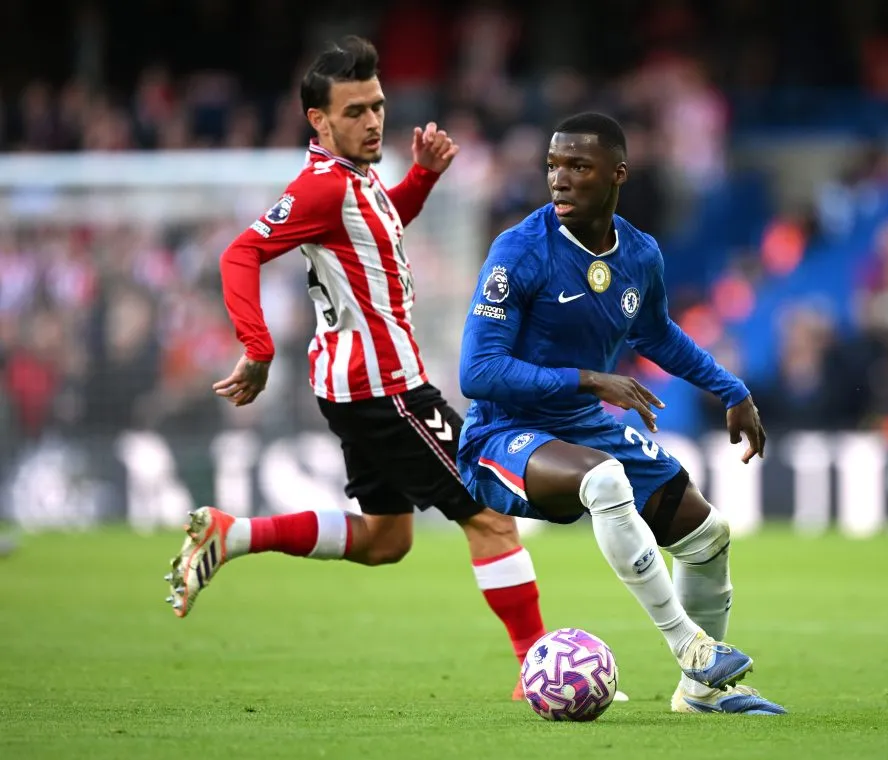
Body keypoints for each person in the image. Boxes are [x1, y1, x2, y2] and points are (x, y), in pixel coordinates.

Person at [162, 36, 573, 702]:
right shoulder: (321, 187)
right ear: (319, 121)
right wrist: (257, 347)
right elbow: (239, 254)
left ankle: (233, 534)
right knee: (492, 514)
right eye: (354, 111)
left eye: (377, 105)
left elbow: (377, 227)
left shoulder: (355, 181)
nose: (373, 121)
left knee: (387, 540)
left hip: (357, 387)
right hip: (386, 387)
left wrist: (422, 179)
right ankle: (539, 673)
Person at [457, 112, 786, 715]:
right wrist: (588, 378)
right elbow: (477, 372)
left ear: (618, 174)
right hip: (505, 433)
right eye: (553, 165)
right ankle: (692, 647)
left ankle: (700, 695)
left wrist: (731, 389)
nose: (560, 179)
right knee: (605, 479)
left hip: (581, 426)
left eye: (578, 166)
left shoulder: (639, 253)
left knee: (706, 535)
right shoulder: (519, 250)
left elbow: (656, 334)